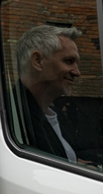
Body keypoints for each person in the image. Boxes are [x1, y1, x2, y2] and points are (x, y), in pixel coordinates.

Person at [15, 24, 83, 162]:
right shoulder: (16, 118)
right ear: (38, 61)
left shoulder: (53, 114)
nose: (77, 72)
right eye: (69, 61)